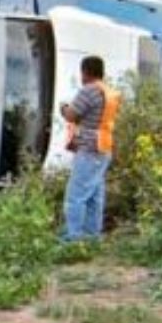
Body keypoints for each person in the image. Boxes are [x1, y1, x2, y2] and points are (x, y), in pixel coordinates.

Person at [60, 56, 121, 242]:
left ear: (85, 72)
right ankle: (92, 236)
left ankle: (74, 238)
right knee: (95, 195)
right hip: (104, 146)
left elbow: (72, 115)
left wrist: (62, 108)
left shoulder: (89, 91)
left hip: (89, 148)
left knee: (75, 196)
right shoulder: (108, 92)